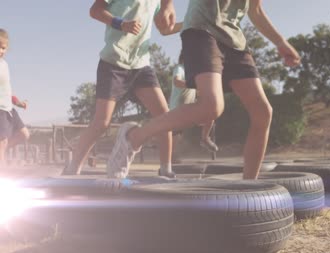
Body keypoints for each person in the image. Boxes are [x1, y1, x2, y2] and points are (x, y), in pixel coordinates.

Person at [106, 0, 301, 179]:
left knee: (262, 112)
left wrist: (280, 42)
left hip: (234, 40)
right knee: (212, 106)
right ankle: (133, 137)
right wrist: (167, 5)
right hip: (201, 30)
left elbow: (255, 10)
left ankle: (248, 186)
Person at [62, 0, 181, 178]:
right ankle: (72, 170)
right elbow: (95, 11)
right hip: (113, 63)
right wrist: (121, 23)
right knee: (101, 124)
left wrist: (193, 24)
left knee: (165, 117)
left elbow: (164, 29)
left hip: (141, 66)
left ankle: (166, 170)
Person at [169, 52, 218, 159]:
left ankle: (205, 138)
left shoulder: (194, 74)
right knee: (176, 135)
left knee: (210, 114)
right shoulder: (180, 68)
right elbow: (176, 82)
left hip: (190, 108)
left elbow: (199, 91)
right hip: (178, 108)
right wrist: (193, 84)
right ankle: (171, 156)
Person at [0, 29, 30, 164]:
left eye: (3, 47)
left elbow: (7, 89)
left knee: (24, 134)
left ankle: (2, 151)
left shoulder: (5, 65)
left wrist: (18, 103)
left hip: (9, 109)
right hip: (0, 109)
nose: (0, 50)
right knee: (2, 140)